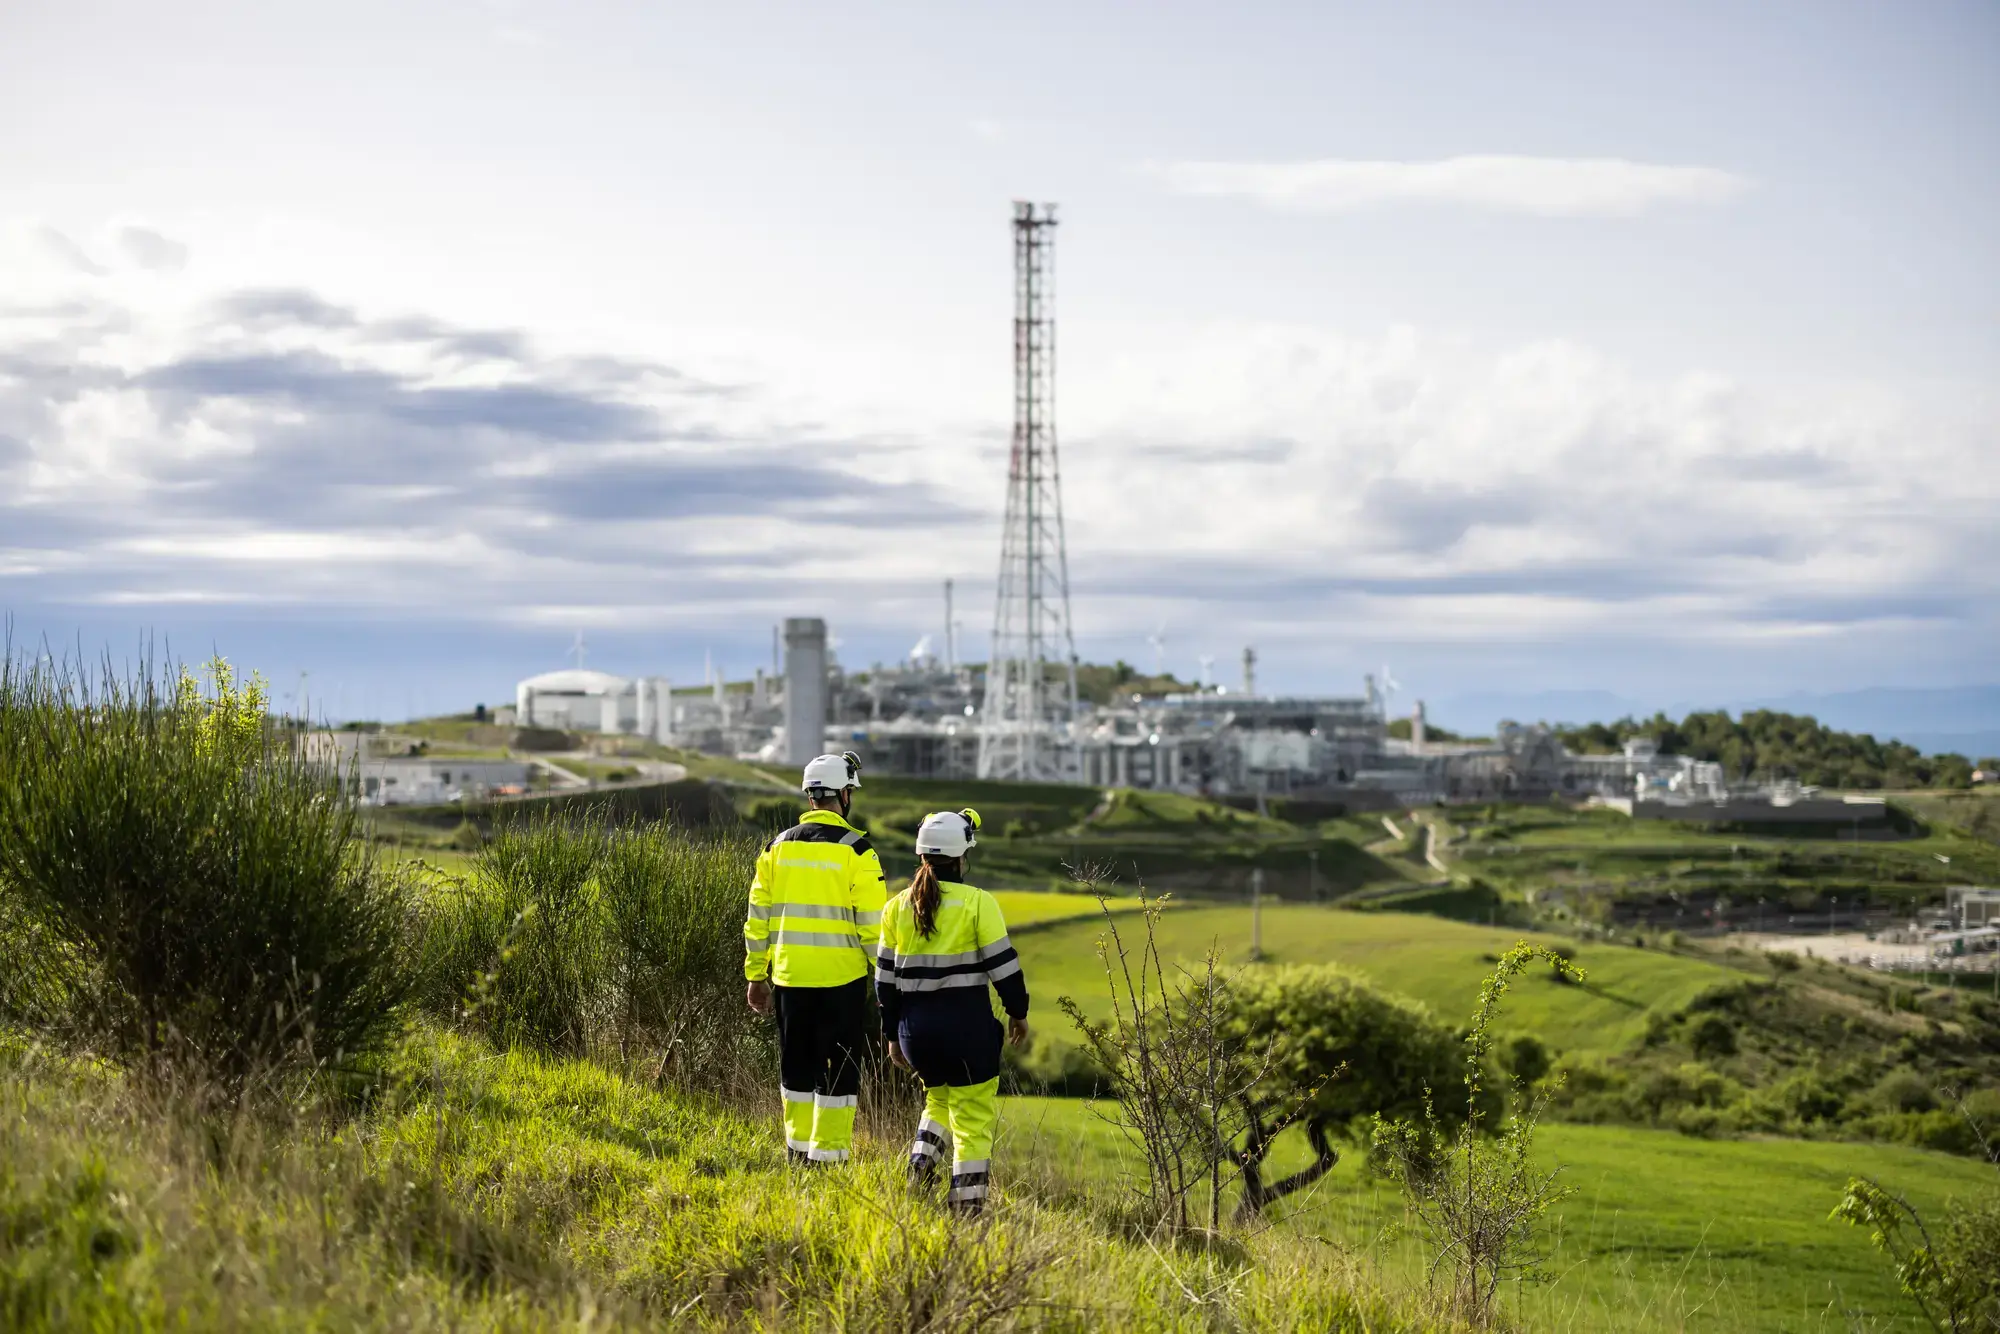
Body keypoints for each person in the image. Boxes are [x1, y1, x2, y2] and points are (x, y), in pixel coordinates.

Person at [874, 808, 1029, 1216]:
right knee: (972, 1119)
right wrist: (1018, 1013)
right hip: (967, 1034)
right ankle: (967, 1210)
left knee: (939, 1099)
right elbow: (1005, 968)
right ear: (962, 856)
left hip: (916, 1035)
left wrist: (892, 1036)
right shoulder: (978, 903)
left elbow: (884, 983)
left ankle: (918, 1171)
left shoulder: (896, 907)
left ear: (922, 854)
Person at [743, 751, 887, 1165]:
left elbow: (757, 918)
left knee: (796, 1068)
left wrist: (756, 975)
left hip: (790, 979)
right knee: (840, 1070)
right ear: (844, 795)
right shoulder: (858, 852)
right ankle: (830, 1157)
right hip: (842, 982)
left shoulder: (776, 848)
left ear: (811, 796)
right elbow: (873, 930)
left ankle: (797, 1153)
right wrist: (887, 983)